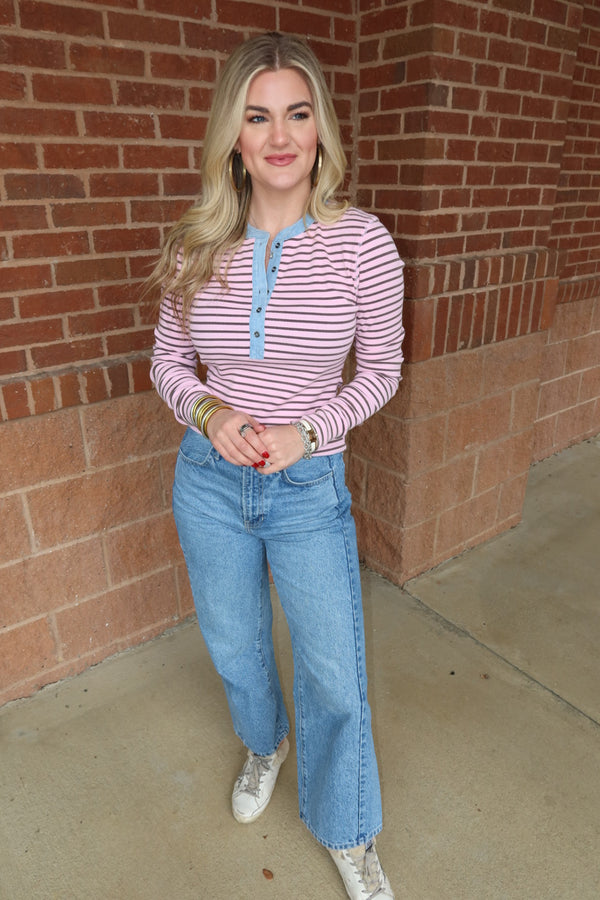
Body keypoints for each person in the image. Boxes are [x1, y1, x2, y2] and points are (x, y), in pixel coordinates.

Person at [146, 31, 404, 900]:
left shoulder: (362, 243)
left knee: (334, 671)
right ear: (235, 136)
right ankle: (266, 743)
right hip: (209, 482)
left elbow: (381, 370)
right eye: (258, 116)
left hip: (305, 489)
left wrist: (309, 429)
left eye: (298, 113)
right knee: (236, 646)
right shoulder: (197, 242)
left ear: (321, 130)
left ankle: (348, 830)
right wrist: (211, 412)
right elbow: (168, 364)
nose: (280, 134)